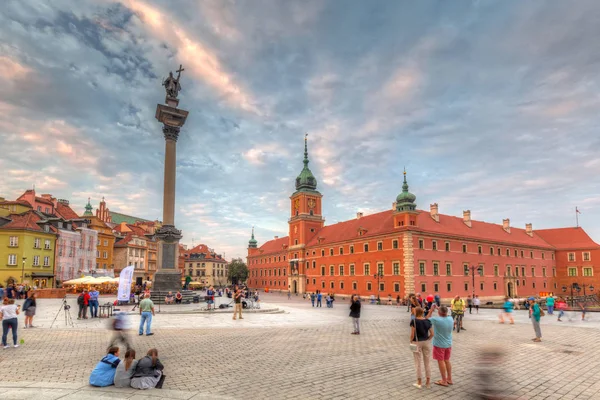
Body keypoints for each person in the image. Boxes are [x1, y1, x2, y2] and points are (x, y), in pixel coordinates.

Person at [426, 305, 454, 387]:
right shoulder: (450, 318)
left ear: (438, 312)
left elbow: (426, 320)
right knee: (447, 360)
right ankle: (449, 378)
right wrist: (439, 308)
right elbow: (445, 313)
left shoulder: (436, 319)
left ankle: (444, 380)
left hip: (439, 344)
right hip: (448, 344)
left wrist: (431, 310)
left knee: (441, 361)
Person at [410, 307, 433, 389]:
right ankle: (428, 383)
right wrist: (428, 339)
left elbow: (412, 334)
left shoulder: (414, 321)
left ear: (416, 312)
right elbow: (432, 333)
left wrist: (410, 341)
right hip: (426, 342)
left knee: (418, 362)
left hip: (416, 342)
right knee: (427, 362)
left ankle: (419, 382)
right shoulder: (427, 321)